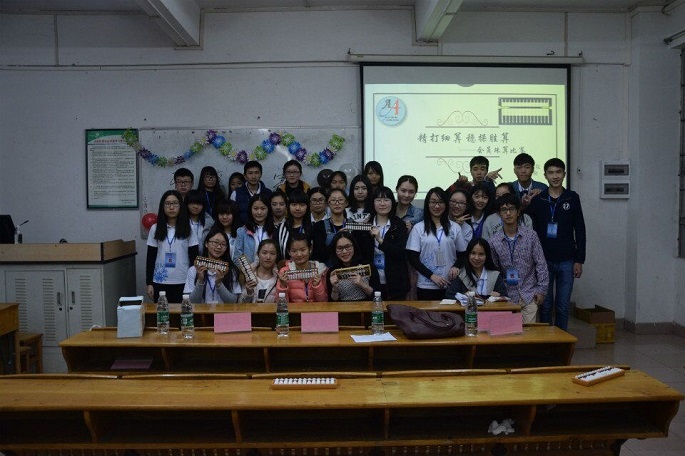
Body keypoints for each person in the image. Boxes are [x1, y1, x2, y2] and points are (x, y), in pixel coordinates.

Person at [526, 158, 586, 330]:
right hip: (543, 261)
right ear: (545, 175)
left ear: (564, 174)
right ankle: (547, 341)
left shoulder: (572, 198)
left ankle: (561, 341)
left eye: (558, 172)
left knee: (562, 306)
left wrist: (579, 260)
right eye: (551, 173)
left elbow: (580, 229)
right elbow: (530, 230)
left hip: (567, 260)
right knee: (545, 306)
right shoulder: (539, 199)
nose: (555, 176)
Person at [489, 193, 549, 324]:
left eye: (512, 209)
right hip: (507, 297)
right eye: (504, 210)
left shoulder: (531, 236)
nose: (508, 213)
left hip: (529, 294)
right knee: (509, 333)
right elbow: (494, 270)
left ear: (518, 212)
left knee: (529, 334)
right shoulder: (493, 241)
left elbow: (541, 264)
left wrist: (541, 290)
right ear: (499, 214)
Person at [406, 187, 468, 300]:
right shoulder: (418, 228)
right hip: (426, 285)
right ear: (427, 204)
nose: (437, 206)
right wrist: (432, 276)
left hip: (450, 283)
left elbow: (462, 254)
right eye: (433, 202)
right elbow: (412, 258)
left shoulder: (455, 227)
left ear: (446, 204)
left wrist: (456, 266)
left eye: (440, 202)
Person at [146, 190, 199, 303]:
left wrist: (194, 281)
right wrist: (149, 283)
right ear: (163, 206)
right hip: (160, 281)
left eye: (175, 203)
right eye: (167, 204)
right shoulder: (155, 228)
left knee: (183, 312)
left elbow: (194, 258)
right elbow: (150, 258)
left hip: (183, 280)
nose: (171, 207)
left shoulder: (190, 228)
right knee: (162, 313)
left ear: (181, 206)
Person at [369, 186, 409, 300]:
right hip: (372, 280)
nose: (382, 204)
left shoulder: (399, 225)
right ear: (373, 203)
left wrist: (380, 240)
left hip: (395, 281)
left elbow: (400, 253)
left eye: (386, 200)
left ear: (392, 202)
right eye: (378, 200)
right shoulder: (366, 225)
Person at [184, 227, 239, 304]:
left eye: (223, 244)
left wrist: (219, 284)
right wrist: (200, 281)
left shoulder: (231, 270)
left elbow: (233, 301)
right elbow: (191, 302)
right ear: (206, 243)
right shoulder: (193, 270)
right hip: (202, 311)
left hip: (224, 311)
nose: (219, 247)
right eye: (215, 242)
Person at [327, 231, 380, 301]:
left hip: (366, 306)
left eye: (348, 247)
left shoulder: (368, 266)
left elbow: (377, 295)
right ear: (335, 250)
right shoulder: (333, 271)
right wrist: (335, 288)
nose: (344, 251)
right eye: (340, 248)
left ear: (354, 246)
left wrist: (362, 284)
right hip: (343, 307)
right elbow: (332, 302)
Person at [276, 233, 327, 302]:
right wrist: (283, 286)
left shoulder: (321, 271)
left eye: (303, 250)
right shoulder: (284, 272)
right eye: (294, 251)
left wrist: (317, 286)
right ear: (289, 252)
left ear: (310, 249)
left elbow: (325, 302)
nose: (299, 254)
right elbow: (281, 303)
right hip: (294, 309)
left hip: (316, 309)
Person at [233, 193, 277, 264]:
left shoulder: (275, 230)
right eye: (255, 208)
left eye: (263, 208)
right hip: (248, 270)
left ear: (268, 210)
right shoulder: (242, 231)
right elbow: (237, 257)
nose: (259, 212)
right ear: (250, 209)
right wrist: (249, 269)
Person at [311, 188, 349, 265]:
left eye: (340, 200)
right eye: (333, 200)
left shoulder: (354, 225)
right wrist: (336, 239)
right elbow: (318, 255)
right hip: (328, 268)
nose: (337, 203)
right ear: (327, 204)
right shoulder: (319, 226)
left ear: (346, 203)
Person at [231, 161, 272, 227]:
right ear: (245, 175)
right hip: (242, 230)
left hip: (264, 230)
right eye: (250, 173)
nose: (253, 176)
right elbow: (232, 216)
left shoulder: (268, 193)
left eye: (256, 173)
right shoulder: (236, 194)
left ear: (261, 174)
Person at [239, 239, 279, 303]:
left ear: (276, 256)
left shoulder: (279, 278)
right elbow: (240, 304)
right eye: (264, 253)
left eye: (272, 253)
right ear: (258, 254)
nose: (268, 257)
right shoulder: (247, 275)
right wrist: (248, 293)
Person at [276, 190, 313, 260]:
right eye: (294, 205)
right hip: (285, 266)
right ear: (288, 206)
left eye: (302, 205)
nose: (297, 208)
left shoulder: (313, 227)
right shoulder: (281, 228)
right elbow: (277, 252)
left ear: (307, 207)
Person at [448, 188, 474, 267]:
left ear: (466, 206)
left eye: (461, 203)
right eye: (453, 201)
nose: (456, 205)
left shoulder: (467, 228)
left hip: (457, 267)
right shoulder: (439, 220)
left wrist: (457, 227)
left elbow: (463, 252)